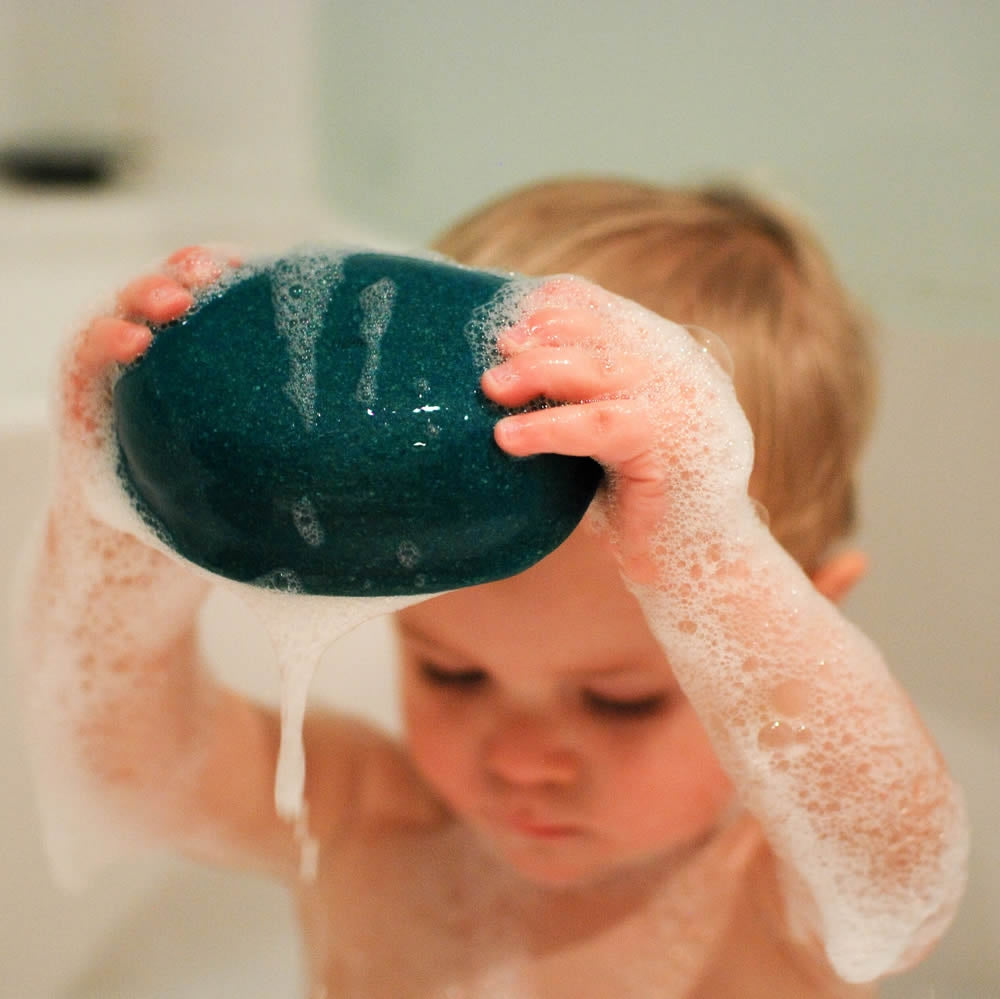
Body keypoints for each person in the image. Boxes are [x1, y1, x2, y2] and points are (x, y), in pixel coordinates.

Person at [15, 176, 968, 998]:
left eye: (620, 701)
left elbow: (898, 874)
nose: (521, 758)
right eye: (450, 675)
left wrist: (708, 555)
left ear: (802, 620)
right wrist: (122, 503)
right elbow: (129, 771)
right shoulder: (374, 818)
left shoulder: (771, 892)